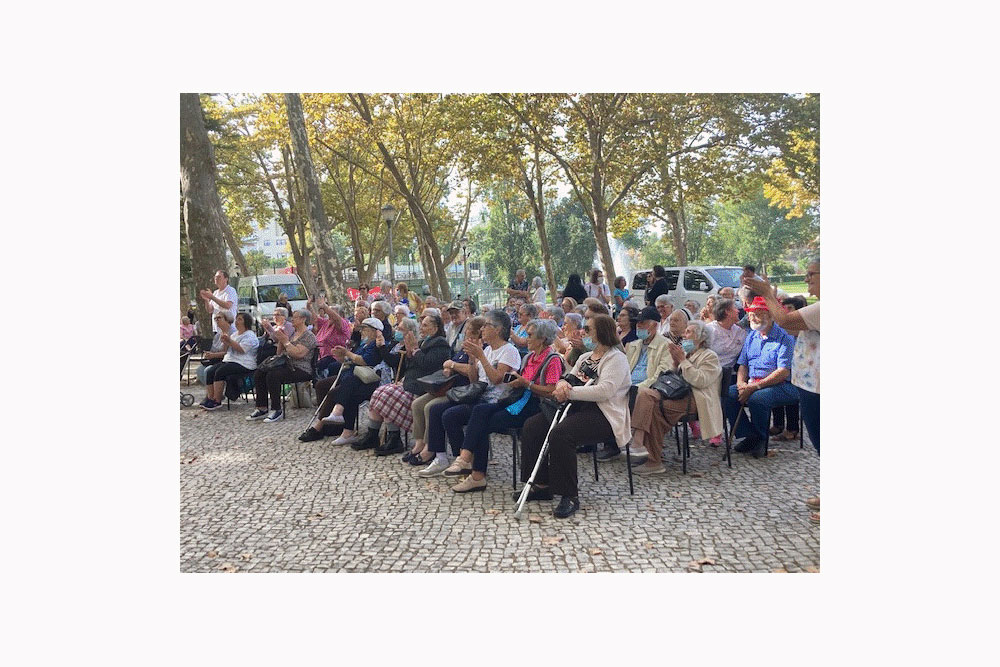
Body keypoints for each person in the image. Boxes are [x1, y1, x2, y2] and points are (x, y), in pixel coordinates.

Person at [518, 314, 630, 518]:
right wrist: (562, 385)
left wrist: (569, 392)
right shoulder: (584, 357)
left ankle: (569, 495)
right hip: (576, 407)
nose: (582, 333)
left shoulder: (617, 359)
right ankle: (541, 484)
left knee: (561, 434)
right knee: (532, 426)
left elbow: (605, 391)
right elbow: (568, 377)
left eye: (588, 330)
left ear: (601, 332)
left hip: (603, 413)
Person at [744, 260, 820, 523]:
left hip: (816, 386)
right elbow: (788, 326)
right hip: (811, 384)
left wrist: (766, 294)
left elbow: (785, 320)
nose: (807, 278)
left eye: (812, 274)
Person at [417, 310, 520, 483]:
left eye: (486, 325)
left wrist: (480, 357)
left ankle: (466, 462)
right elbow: (474, 380)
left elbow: (496, 379)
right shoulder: (487, 350)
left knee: (453, 415)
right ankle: (446, 459)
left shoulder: (509, 351)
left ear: (498, 329)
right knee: (437, 410)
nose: (483, 330)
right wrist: (473, 360)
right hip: (479, 396)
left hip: (497, 400)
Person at [345, 314, 451, 455]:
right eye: (421, 324)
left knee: (389, 396)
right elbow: (410, 365)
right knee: (380, 392)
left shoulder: (440, 343)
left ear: (435, 328)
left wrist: (415, 350)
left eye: (425, 325)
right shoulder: (423, 342)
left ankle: (394, 439)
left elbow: (428, 364)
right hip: (409, 382)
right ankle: (373, 434)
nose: (421, 327)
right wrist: (409, 353)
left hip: (423, 386)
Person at [629, 319, 723, 475]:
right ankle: (640, 442)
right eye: (685, 332)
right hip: (677, 395)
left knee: (655, 410)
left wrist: (682, 361)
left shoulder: (709, 356)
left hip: (696, 400)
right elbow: (674, 379)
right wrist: (675, 363)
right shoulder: (686, 354)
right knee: (645, 393)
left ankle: (651, 458)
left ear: (701, 338)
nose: (684, 335)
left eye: (689, 332)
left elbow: (700, 381)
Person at [722, 296, 798, 459]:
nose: (753, 318)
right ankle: (750, 435)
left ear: (770, 316)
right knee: (728, 394)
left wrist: (754, 387)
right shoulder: (752, 336)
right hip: (752, 383)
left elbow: (783, 371)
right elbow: (743, 364)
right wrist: (742, 383)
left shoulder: (785, 337)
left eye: (758, 314)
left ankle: (761, 439)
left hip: (783, 385)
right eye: (751, 314)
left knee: (758, 398)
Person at [406, 316, 486, 465]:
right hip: (447, 386)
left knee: (431, 407)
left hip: (461, 390)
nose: (465, 336)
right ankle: (420, 443)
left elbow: (473, 372)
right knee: (417, 404)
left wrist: (453, 365)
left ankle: (431, 448)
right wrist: (449, 367)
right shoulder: (464, 348)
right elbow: (448, 364)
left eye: (469, 333)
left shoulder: (480, 349)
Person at [296, 317, 385, 444]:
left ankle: (319, 426)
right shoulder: (363, 344)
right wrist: (341, 356)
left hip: (364, 379)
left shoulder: (375, 345)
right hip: (350, 375)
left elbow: (365, 361)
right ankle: (329, 422)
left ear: (374, 331)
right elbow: (350, 361)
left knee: (337, 392)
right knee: (322, 385)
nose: (362, 332)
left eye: (364, 329)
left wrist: (347, 353)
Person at [247, 309, 318, 423]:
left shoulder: (309, 336)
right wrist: (281, 341)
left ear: (303, 319)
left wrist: (285, 341)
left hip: (300, 368)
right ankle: (262, 407)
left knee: (273, 375)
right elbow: (279, 354)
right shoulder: (293, 334)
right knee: (260, 373)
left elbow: (299, 354)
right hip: (286, 364)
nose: (292, 319)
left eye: (295, 317)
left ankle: (276, 409)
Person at [199, 312, 260, 410]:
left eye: (240, 319)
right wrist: (225, 341)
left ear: (246, 322)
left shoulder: (250, 336)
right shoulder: (235, 334)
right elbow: (226, 350)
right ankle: (210, 398)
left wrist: (230, 341)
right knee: (210, 371)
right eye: (237, 319)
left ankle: (217, 400)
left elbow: (241, 349)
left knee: (220, 372)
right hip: (230, 360)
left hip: (244, 363)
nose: (237, 321)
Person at [310, 296, 352, 379]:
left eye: (331, 312)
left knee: (317, 369)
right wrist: (309, 305)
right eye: (327, 312)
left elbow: (336, 319)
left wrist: (325, 306)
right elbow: (314, 317)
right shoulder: (326, 323)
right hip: (320, 356)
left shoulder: (343, 324)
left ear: (341, 315)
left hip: (334, 357)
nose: (328, 313)